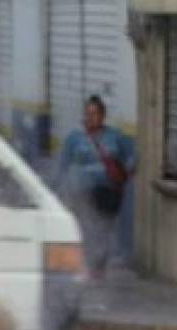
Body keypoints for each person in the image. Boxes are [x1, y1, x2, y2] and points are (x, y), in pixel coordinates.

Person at [57, 95, 136, 280]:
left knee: (103, 229)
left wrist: (125, 173)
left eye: (95, 113)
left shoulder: (115, 137)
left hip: (107, 192)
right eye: (88, 114)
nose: (91, 117)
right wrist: (60, 192)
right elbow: (63, 165)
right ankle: (87, 264)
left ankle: (98, 266)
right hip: (81, 192)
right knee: (87, 227)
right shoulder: (74, 139)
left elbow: (132, 157)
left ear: (103, 116)